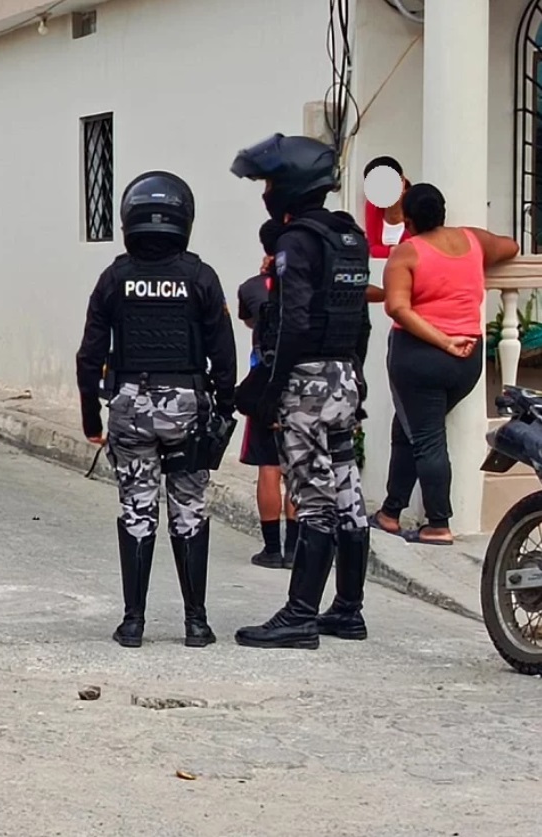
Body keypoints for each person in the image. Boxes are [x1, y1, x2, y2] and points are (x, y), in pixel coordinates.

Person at [76, 171, 237, 649]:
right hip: (188, 408)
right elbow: (223, 352)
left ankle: (133, 623)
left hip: (129, 407)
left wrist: (90, 418)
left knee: (137, 508)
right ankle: (196, 623)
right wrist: (224, 408)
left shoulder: (114, 278)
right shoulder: (201, 277)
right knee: (189, 510)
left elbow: (89, 356)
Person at [230, 133, 373, 650]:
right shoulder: (348, 236)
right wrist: (356, 377)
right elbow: (360, 319)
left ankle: (300, 615)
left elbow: (292, 320)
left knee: (313, 499)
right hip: (344, 377)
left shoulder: (296, 242)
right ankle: (348, 610)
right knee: (348, 493)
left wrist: (271, 390)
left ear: (289, 186)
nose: (266, 192)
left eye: (269, 183)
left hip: (307, 384)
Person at [371, 184, 520, 546]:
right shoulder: (473, 240)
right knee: (407, 428)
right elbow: (511, 246)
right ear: (443, 212)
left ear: (408, 221)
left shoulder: (407, 253)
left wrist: (442, 340)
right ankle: (391, 512)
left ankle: (438, 523)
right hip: (467, 360)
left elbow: (397, 308)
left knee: (426, 438)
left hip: (420, 358)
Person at [238, 218, 299, 569]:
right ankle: (294, 550)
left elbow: (249, 320)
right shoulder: (306, 283)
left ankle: (271, 549)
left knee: (269, 466)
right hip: (301, 383)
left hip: (264, 385)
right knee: (295, 466)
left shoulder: (250, 287)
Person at [363, 156, 411, 260]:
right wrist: (396, 251)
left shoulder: (415, 205)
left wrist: (388, 251)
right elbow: (372, 248)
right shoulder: (372, 206)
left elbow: (415, 251)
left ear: (402, 182)